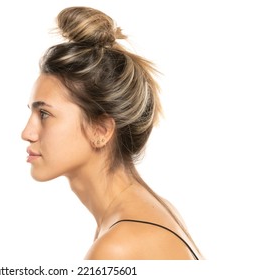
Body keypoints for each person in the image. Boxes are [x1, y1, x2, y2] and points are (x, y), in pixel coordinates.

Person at [21, 6, 203, 260]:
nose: (27, 133)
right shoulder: (147, 212)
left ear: (101, 130)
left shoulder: (119, 247)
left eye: (44, 115)